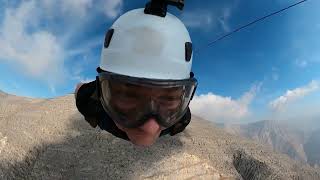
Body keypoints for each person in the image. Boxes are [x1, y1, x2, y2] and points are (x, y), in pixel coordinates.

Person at [75, 0, 198, 147]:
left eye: (168, 98)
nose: (149, 129)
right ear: (102, 93)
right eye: (128, 95)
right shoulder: (89, 102)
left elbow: (79, 90)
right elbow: (80, 91)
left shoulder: (181, 120)